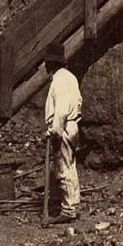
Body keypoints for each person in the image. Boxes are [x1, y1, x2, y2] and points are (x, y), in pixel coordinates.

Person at [42, 42, 81, 223]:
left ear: (52, 63)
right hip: (71, 125)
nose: (45, 66)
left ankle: (68, 210)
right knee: (70, 166)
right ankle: (72, 205)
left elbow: (62, 110)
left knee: (63, 169)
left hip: (64, 126)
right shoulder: (70, 77)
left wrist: (54, 131)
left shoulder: (60, 80)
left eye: (47, 63)